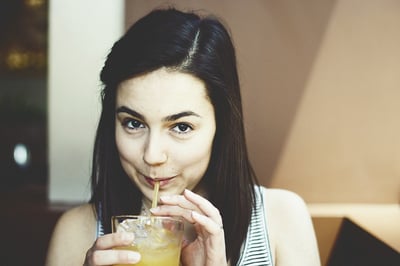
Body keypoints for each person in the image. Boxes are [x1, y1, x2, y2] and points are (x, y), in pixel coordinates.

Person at [46, 7, 320, 266]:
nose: (152, 155)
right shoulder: (76, 233)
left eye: (181, 127)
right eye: (133, 123)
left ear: (221, 127)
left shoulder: (281, 220)